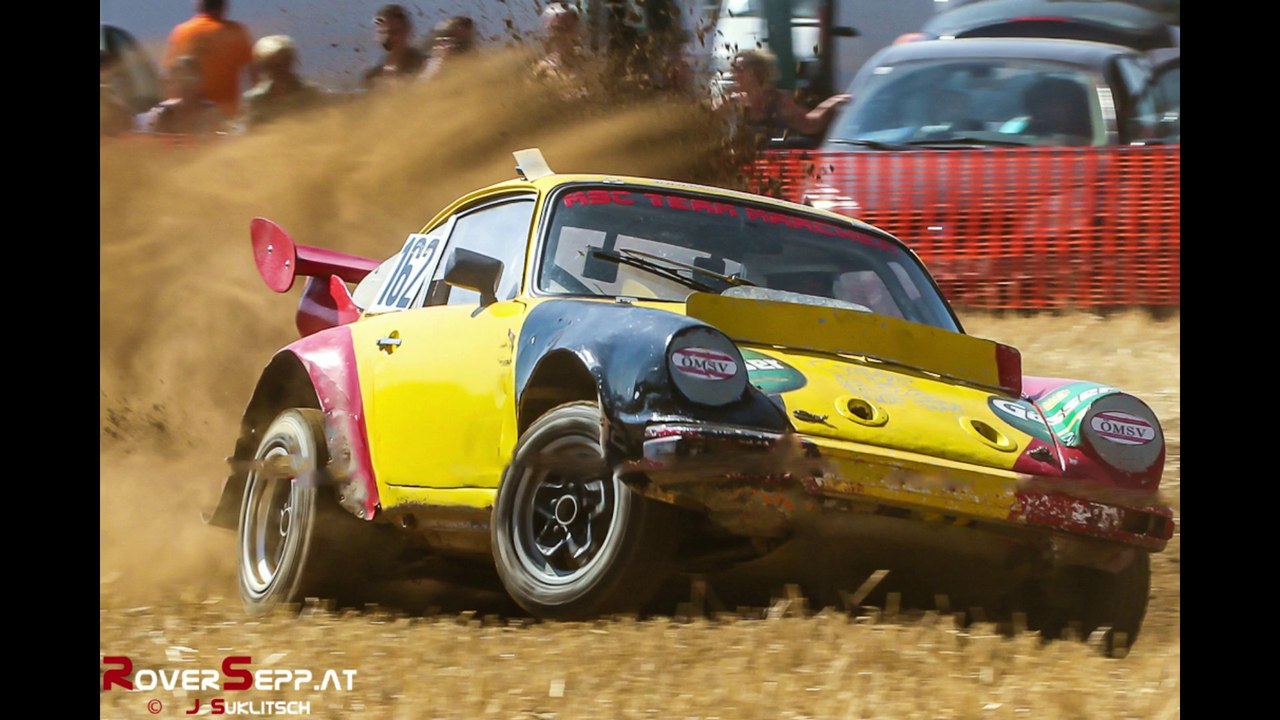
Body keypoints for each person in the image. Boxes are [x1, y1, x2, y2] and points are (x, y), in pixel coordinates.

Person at [716, 48, 850, 148]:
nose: (733, 74)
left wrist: (831, 104)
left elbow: (809, 125)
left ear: (757, 73)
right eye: (733, 69)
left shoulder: (778, 100)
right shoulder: (731, 102)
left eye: (739, 69)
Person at [163, 0, 256, 118]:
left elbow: (169, 76)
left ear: (198, 6)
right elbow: (254, 73)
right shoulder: (234, 31)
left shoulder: (181, 32)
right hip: (226, 114)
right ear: (223, 6)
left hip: (190, 115)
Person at [239, 35, 326, 131]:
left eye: (284, 63)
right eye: (272, 65)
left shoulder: (312, 94)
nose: (279, 70)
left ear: (291, 62)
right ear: (263, 67)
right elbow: (249, 132)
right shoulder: (255, 100)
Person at [135, 55, 226, 135]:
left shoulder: (211, 114)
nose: (185, 85)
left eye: (190, 79)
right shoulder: (163, 114)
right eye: (179, 79)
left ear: (200, 81)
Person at [363, 4, 427, 90]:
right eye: (382, 32)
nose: (387, 38)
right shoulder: (372, 77)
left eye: (394, 32)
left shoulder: (426, 66)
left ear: (408, 32)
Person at [1022, 76, 1093, 143]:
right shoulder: (1026, 136)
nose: (1048, 111)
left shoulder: (1092, 133)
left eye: (1055, 105)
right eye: (1042, 106)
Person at [419, 16, 477, 83]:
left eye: (461, 43)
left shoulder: (477, 67)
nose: (453, 45)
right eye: (447, 39)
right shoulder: (429, 66)